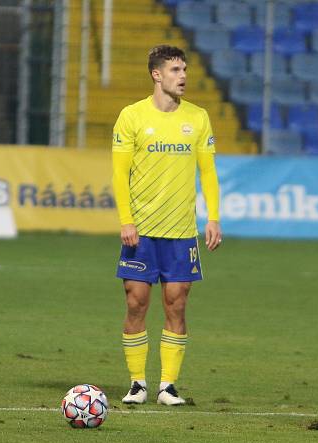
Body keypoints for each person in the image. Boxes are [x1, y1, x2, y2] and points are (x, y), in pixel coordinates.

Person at [111, 45, 222, 406]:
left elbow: (208, 172)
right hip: (141, 231)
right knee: (136, 303)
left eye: (185, 69)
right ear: (157, 75)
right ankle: (137, 383)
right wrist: (126, 220)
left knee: (176, 305)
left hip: (180, 232)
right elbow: (118, 174)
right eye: (175, 70)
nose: (183, 76)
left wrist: (213, 217)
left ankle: (168, 386)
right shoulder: (131, 117)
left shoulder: (199, 118)